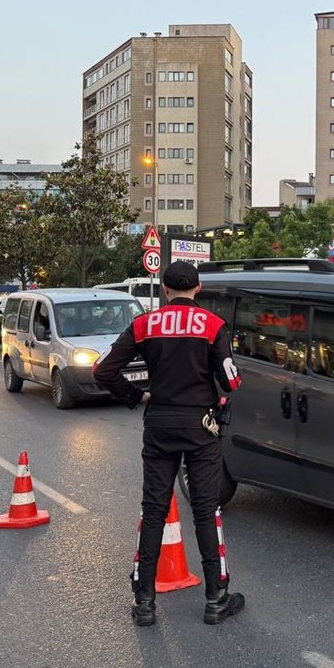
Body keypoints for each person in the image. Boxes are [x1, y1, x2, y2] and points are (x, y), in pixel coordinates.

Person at [94, 261, 244, 627]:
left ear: (164, 289)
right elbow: (231, 383)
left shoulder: (145, 324)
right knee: (206, 510)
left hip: (159, 423)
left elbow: (103, 370)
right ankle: (215, 598)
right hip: (200, 427)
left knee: (154, 510)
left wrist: (136, 395)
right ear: (198, 288)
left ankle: (144, 601)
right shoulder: (213, 326)